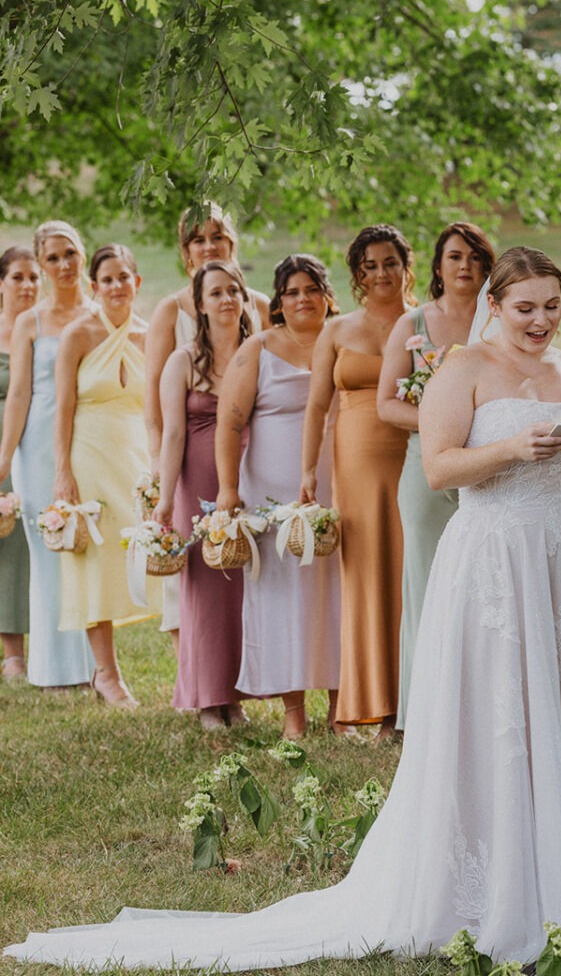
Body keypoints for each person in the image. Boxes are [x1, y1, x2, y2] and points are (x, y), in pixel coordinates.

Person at [3, 246, 561, 970]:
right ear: (496, 308)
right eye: (525, 307)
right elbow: (442, 466)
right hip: (494, 562)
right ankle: (495, 883)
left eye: (552, 306)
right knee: (497, 712)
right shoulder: (465, 369)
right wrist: (512, 447)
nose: (541, 321)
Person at [376, 222, 495, 729]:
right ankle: (423, 717)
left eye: (473, 256)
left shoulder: (500, 323)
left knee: (484, 586)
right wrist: (438, 421)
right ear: (438, 266)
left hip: (489, 470)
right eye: (453, 256)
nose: (464, 264)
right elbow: (385, 404)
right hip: (427, 472)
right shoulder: (413, 324)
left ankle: (480, 710)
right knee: (425, 585)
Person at [216, 254, 341, 741]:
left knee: (336, 592)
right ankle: (293, 712)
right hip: (272, 493)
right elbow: (229, 423)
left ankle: (340, 706)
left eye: (312, 289)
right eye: (291, 292)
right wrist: (228, 488)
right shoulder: (258, 348)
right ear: (278, 302)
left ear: (327, 296)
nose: (303, 299)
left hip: (335, 486)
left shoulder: (342, 337)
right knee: (283, 595)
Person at [301, 225, 411, 735]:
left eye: (390, 262)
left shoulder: (422, 323)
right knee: (367, 575)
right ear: (357, 275)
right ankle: (377, 704)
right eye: (370, 265)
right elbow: (317, 405)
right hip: (356, 463)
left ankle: (411, 703)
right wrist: (307, 470)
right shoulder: (337, 330)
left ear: (405, 266)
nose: (381, 273)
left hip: (413, 453)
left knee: (409, 571)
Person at [145, 205, 269, 649]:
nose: (208, 245)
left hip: (251, 457)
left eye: (217, 236)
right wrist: (161, 478)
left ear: (232, 243)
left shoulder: (259, 307)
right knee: (197, 569)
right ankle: (198, 677)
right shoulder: (170, 311)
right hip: (188, 454)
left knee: (250, 565)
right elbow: (157, 410)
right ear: (185, 251)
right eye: (198, 239)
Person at [55, 243, 156, 707]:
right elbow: (62, 410)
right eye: (107, 280)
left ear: (137, 282)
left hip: (135, 456)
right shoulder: (78, 334)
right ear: (94, 288)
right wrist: (62, 472)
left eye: (124, 277)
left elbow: (157, 411)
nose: (117, 287)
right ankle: (106, 674)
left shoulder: (149, 335)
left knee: (146, 555)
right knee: (96, 558)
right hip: (88, 455)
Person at [153, 261, 253, 730]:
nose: (227, 299)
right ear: (200, 305)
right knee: (203, 590)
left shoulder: (256, 353)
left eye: (234, 290)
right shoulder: (183, 361)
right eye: (216, 293)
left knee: (241, 589)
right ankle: (208, 699)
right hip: (196, 479)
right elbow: (173, 433)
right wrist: (165, 498)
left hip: (248, 474)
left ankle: (236, 696)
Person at [0, 222, 94, 689]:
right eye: (52, 258)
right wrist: (3, 461)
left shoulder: (99, 313)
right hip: (37, 446)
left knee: (88, 548)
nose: (63, 265)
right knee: (48, 548)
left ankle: (95, 665)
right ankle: (54, 669)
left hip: (92, 439)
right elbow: (18, 395)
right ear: (41, 264)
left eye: (70, 254)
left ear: (83, 255)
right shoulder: (29, 323)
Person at [0, 245, 39, 679]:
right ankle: (12, 652)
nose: (27, 286)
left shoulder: (42, 329)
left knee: (28, 539)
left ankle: (39, 643)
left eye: (33, 277)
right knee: (4, 540)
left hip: (37, 438)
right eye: (18, 278)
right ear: (1, 283)